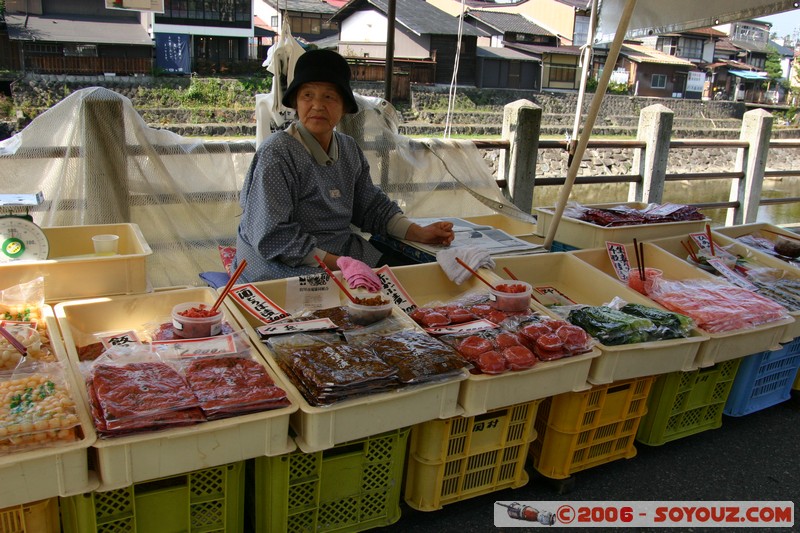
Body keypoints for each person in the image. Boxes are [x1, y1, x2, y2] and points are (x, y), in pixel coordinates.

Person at [234, 49, 454, 282]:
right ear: (296, 102)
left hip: (341, 254)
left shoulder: (348, 149)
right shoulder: (277, 153)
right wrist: (340, 263)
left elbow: (371, 207)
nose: (317, 106)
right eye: (307, 95)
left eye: (329, 97)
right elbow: (272, 236)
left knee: (416, 279)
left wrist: (420, 232)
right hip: (281, 264)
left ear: (344, 107)